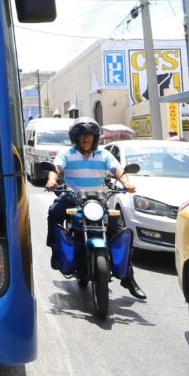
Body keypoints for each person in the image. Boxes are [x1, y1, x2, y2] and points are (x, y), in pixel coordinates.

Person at [45, 117, 145, 300]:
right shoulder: (67, 153)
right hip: (72, 197)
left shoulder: (103, 155)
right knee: (54, 213)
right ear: (75, 138)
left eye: (90, 136)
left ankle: (128, 278)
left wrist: (127, 183)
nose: (86, 139)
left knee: (119, 232)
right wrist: (52, 179)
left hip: (98, 201)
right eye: (82, 136)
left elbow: (117, 170)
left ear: (96, 138)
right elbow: (56, 167)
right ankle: (56, 250)